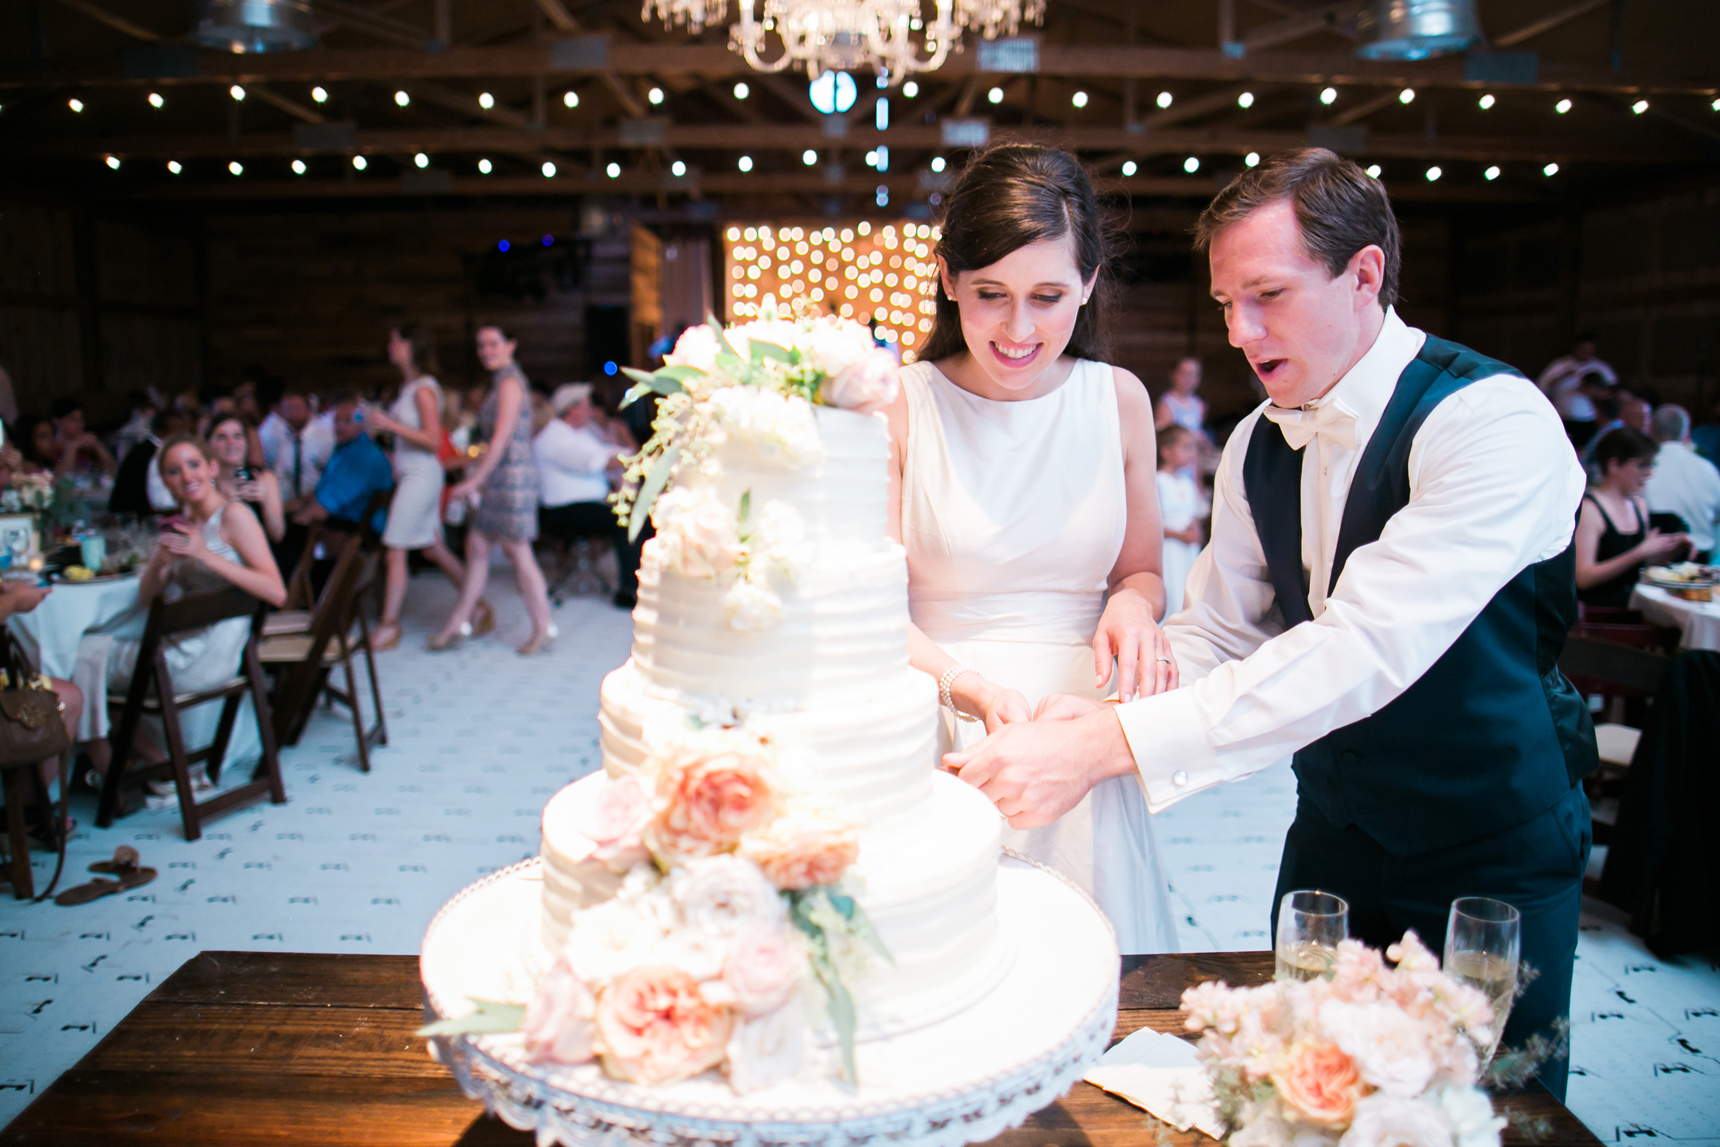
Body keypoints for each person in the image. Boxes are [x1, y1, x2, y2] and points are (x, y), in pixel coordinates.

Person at [948, 149, 1598, 1099]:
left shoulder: (1492, 422)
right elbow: (1219, 633)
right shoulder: (1258, 440)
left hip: (1487, 852)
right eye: (1224, 304)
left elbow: (1362, 648)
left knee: (1488, 1109)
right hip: (1330, 838)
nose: (1241, 333)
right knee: (1308, 1093)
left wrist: (1108, 746)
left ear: (1364, 274)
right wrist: (1082, 713)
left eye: (1267, 295)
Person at [887, 144, 1179, 954]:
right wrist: (969, 688)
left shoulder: (1117, 399)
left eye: (1049, 296)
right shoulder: (902, 406)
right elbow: (867, 609)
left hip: (1076, 726)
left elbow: (1143, 570)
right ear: (948, 279)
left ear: (1088, 283)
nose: (1020, 330)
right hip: (938, 720)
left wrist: (1130, 602)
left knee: (1088, 975)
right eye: (992, 295)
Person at [76, 435, 286, 786]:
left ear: (212, 468)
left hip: (202, 657)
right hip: (194, 647)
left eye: (194, 465)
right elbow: (145, 599)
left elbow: (276, 591)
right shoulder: (187, 521)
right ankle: (135, 760)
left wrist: (205, 555)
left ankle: (120, 765)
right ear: (166, 482)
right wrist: (162, 559)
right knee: (93, 653)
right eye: (174, 471)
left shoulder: (234, 516)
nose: (186, 476)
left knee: (80, 657)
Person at [429, 325, 555, 655]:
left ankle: (543, 626)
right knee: (478, 548)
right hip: (501, 475)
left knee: (519, 552)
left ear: (511, 345)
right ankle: (458, 621)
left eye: (493, 343)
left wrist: (474, 480)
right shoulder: (500, 381)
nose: (486, 350)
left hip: (512, 477)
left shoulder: (511, 382)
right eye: (482, 345)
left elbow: (500, 439)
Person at [365, 324, 481, 652]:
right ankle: (480, 606)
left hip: (421, 475)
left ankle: (388, 625)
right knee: (432, 548)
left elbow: (433, 440)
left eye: (394, 340)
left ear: (410, 346)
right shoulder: (410, 386)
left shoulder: (422, 390)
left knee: (395, 549)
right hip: (412, 473)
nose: (390, 346)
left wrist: (390, 424)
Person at [534, 383, 636, 608]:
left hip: (586, 504)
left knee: (635, 515)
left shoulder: (580, 433)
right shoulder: (554, 438)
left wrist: (629, 455)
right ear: (572, 409)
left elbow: (608, 452)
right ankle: (629, 589)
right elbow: (594, 463)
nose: (591, 411)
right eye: (587, 406)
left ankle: (634, 583)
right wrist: (632, 457)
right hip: (563, 510)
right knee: (630, 522)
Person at [1577, 427, 1690, 607]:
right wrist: (1639, 552)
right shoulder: (1590, 509)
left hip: (1634, 605)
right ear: (1613, 465)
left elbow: (1638, 564)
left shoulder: (1638, 504)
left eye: (1651, 465)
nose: (1650, 473)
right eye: (1642, 465)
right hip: (1600, 614)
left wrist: (1671, 550)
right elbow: (1583, 577)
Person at [291, 392, 393, 534]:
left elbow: (326, 505)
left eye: (347, 421)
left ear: (361, 424)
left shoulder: (362, 455)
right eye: (336, 420)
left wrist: (291, 527)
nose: (339, 426)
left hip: (348, 534)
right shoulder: (346, 448)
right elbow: (321, 494)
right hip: (339, 527)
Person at [1644, 404, 1720, 562]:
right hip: (1701, 557)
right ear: (1686, 432)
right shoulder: (1707, 468)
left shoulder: (1645, 468)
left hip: (1657, 556)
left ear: (1650, 430)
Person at [209, 414, 285, 543]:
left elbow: (277, 535)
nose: (231, 443)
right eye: (222, 437)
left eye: (237, 436)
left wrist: (264, 502)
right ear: (209, 443)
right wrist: (226, 502)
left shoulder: (264, 478)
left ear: (246, 442)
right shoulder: (204, 481)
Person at [1155, 425, 1204, 617]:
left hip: (1188, 550)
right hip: (1169, 549)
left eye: (1192, 447)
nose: (1191, 453)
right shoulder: (1158, 481)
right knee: (1172, 588)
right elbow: (1154, 522)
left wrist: (1194, 530)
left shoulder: (1187, 483)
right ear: (1166, 451)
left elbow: (1193, 514)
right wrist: (1179, 534)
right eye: (1185, 447)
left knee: (1188, 590)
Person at [109, 409, 193, 516]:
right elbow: (158, 504)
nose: (184, 436)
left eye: (186, 430)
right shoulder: (155, 455)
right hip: (139, 521)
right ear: (159, 432)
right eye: (178, 431)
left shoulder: (142, 449)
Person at [1538, 334, 1617, 447]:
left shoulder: (1600, 367)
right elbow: (1542, 387)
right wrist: (1562, 376)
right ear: (1575, 348)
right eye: (1583, 350)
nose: (1586, 354)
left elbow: (1613, 392)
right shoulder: (1559, 365)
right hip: (1564, 418)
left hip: (1590, 420)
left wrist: (1593, 393)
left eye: (1589, 351)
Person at [262, 386, 335, 507]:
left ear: (308, 409)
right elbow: (279, 474)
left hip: (318, 503)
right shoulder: (279, 436)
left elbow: (330, 478)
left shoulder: (325, 438)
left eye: (297, 408)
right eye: (287, 409)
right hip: (287, 505)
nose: (292, 413)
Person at [48, 397, 117, 479]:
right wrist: (72, 447)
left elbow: (116, 473)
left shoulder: (86, 446)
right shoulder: (51, 448)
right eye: (73, 419)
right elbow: (59, 479)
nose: (80, 424)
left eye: (81, 419)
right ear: (56, 421)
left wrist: (98, 446)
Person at [1155, 357, 1208, 438]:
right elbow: (1163, 438)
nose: (1188, 379)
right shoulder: (1166, 404)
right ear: (1174, 375)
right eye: (1183, 373)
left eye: (1193, 374)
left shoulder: (1199, 404)